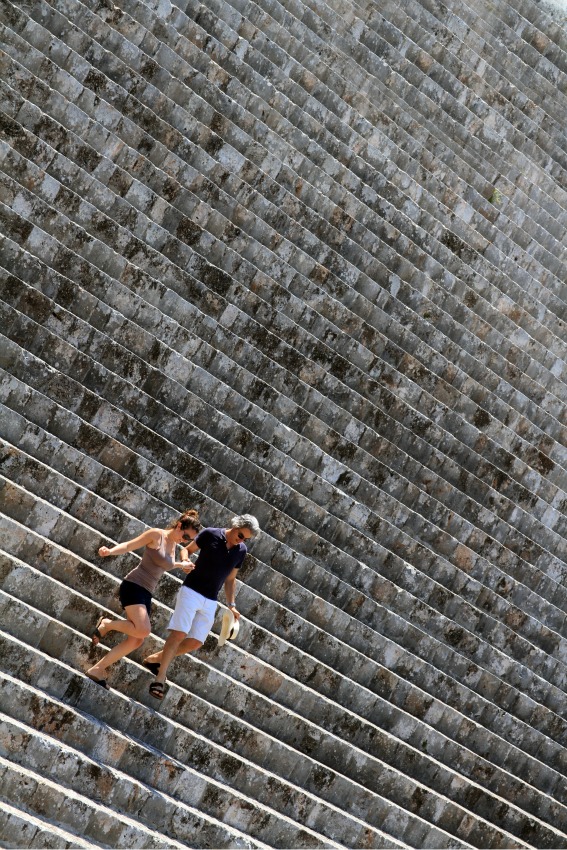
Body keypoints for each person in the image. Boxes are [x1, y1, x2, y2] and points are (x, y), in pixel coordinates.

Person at [143, 513, 261, 699]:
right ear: (235, 526)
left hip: (211, 599)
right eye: (240, 536)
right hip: (191, 590)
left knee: (196, 641)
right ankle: (160, 678)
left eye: (246, 539)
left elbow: (231, 579)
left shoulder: (241, 551)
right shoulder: (211, 534)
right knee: (179, 633)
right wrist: (185, 561)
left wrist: (231, 604)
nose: (241, 541)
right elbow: (187, 550)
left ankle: (155, 659)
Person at [85, 509, 202, 689]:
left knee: (136, 639)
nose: (185, 541)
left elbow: (164, 564)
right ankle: (107, 624)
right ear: (179, 526)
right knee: (144, 630)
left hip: (146, 592)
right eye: (185, 536)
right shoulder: (157, 535)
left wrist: (181, 565)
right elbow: (129, 545)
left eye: (189, 540)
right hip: (134, 585)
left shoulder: (173, 546)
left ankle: (97, 669)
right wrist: (109, 551)